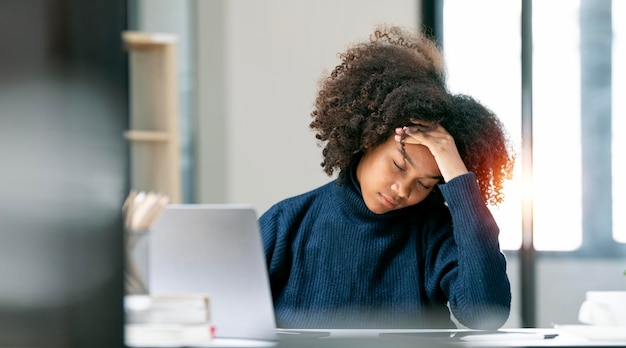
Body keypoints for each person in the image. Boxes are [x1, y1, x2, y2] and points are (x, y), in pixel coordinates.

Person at [259, 24, 515, 330]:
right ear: (370, 139)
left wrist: (456, 171)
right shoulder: (287, 223)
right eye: (399, 164)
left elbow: (486, 314)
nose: (402, 189)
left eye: (425, 183)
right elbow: (224, 314)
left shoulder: (432, 231)